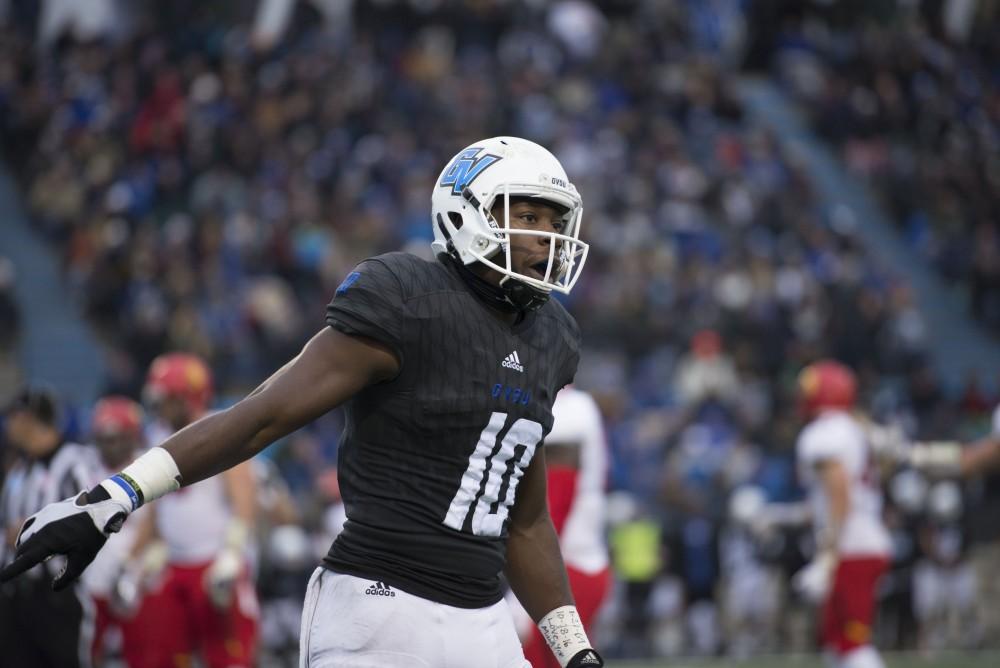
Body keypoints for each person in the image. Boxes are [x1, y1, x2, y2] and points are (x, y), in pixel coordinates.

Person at [0, 136, 605, 668]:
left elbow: (524, 518)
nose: (544, 238)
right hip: (381, 608)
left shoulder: (553, 337)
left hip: (487, 620)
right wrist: (118, 494)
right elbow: (264, 413)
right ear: (467, 213)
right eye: (528, 215)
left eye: (554, 223)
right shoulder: (409, 298)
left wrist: (574, 648)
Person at [122, 352, 259, 668]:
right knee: (162, 656)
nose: (161, 407)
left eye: (168, 398)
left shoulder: (220, 429)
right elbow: (156, 510)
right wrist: (136, 558)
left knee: (227, 656)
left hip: (214, 563)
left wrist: (232, 554)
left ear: (189, 396)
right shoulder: (156, 436)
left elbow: (244, 501)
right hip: (174, 563)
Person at [792, 360, 892, 668]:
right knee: (837, 645)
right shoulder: (854, 428)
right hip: (861, 542)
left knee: (852, 644)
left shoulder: (825, 433)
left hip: (852, 548)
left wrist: (828, 556)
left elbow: (840, 495)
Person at [509, 386, 612, 667]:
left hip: (563, 567)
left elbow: (556, 502)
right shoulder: (579, 404)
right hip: (569, 563)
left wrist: (521, 598)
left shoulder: (569, 409)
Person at [0, 386, 100, 668]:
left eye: (13, 416)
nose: (8, 424)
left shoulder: (74, 462)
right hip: (18, 596)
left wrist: (36, 532)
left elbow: (93, 518)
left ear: (29, 418)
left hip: (58, 593)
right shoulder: (19, 469)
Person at [80, 395, 151, 666]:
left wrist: (130, 564)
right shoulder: (83, 469)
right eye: (105, 438)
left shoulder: (145, 470)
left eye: (116, 438)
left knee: (143, 654)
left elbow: (152, 524)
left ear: (133, 437)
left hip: (134, 580)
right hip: (91, 581)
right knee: (88, 653)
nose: (110, 446)